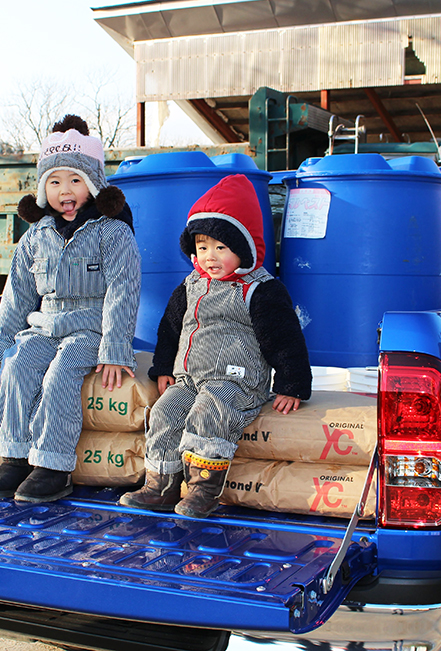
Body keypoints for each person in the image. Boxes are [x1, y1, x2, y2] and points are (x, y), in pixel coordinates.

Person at [119, 174, 311, 518]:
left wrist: (291, 384)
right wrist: (163, 368)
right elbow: (170, 329)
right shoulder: (191, 285)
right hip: (190, 379)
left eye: (221, 248)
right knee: (165, 413)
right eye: (203, 247)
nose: (210, 256)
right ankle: (160, 485)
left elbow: (285, 338)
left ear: (245, 248)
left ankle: (202, 489)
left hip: (234, 383)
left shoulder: (260, 290)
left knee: (210, 412)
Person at [0, 115, 140, 503]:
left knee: (59, 375)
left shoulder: (112, 232)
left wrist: (115, 349)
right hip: (44, 324)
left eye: (75, 180)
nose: (65, 190)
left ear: (93, 184)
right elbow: (17, 293)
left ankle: (53, 466)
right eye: (54, 181)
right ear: (42, 188)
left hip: (90, 327)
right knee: (17, 366)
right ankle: (15, 457)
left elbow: (123, 291)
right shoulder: (36, 236)